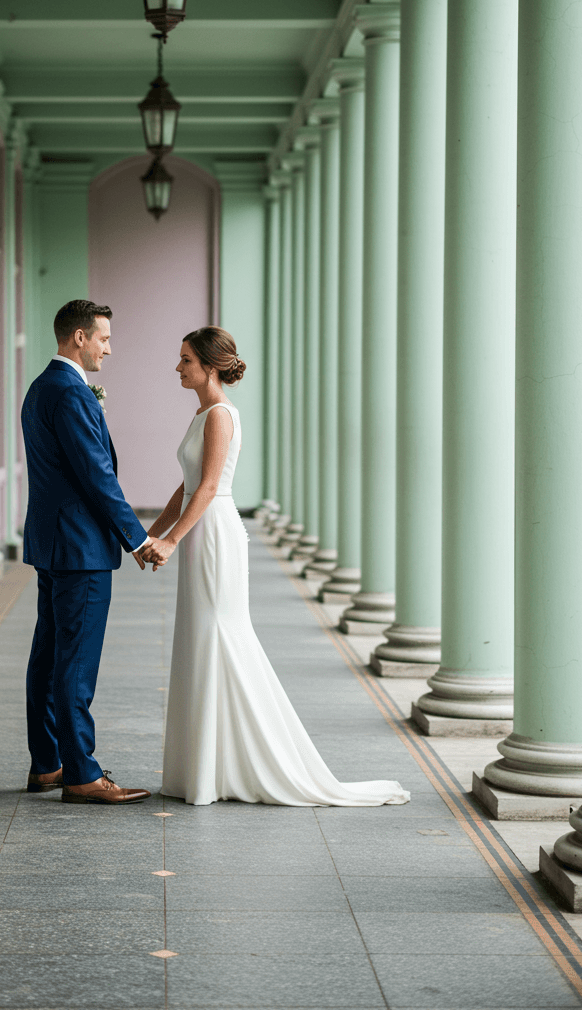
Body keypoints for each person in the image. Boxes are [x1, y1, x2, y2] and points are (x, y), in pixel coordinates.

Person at [142, 326, 410, 808]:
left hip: (215, 531)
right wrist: (147, 536)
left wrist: (172, 541)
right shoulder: (201, 414)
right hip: (200, 528)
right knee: (200, 638)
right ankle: (207, 766)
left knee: (220, 633)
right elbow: (183, 487)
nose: (177, 368)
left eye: (185, 359)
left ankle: (245, 761)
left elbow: (206, 490)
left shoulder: (220, 415)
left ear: (209, 365)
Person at [21, 300, 152, 805]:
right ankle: (82, 774)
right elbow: (96, 474)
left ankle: (48, 763)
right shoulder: (71, 392)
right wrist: (136, 538)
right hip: (81, 549)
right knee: (74, 662)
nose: (108, 348)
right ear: (79, 336)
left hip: (54, 544)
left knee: (49, 655)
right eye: (104, 338)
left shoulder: (41, 388)